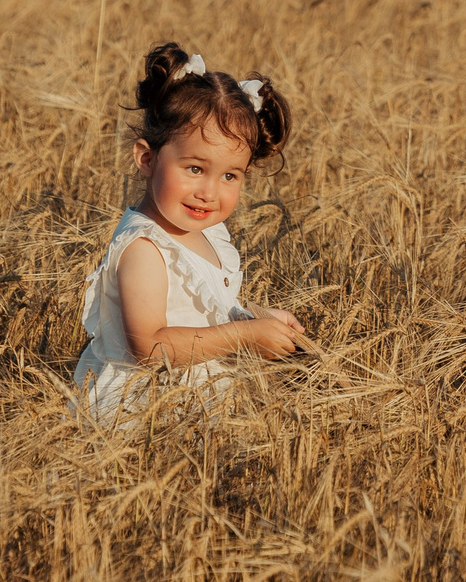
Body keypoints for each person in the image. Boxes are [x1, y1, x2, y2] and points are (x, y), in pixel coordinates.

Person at [73, 42, 308, 419]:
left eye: (230, 175)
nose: (209, 193)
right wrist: (244, 338)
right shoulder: (145, 249)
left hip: (193, 402)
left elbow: (200, 314)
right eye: (195, 169)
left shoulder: (207, 233)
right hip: (143, 416)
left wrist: (254, 320)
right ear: (147, 158)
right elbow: (149, 348)